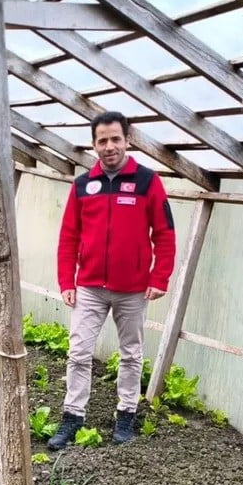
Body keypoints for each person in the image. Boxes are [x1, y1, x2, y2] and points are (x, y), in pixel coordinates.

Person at [48, 111, 177, 450]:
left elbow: (165, 233)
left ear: (127, 141)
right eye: (102, 140)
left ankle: (126, 413)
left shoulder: (148, 181)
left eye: (115, 139)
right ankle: (73, 416)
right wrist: (67, 281)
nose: (109, 147)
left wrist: (159, 276)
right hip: (90, 287)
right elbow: (68, 238)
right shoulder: (82, 185)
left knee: (131, 354)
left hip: (132, 289)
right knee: (78, 352)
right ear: (94, 144)